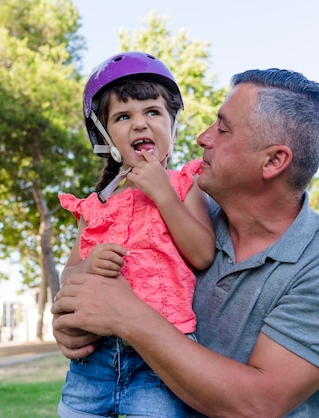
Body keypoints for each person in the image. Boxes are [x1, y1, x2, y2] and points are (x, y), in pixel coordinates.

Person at [52, 67, 319, 417]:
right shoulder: (181, 220)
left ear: (273, 161)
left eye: (222, 129)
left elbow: (256, 404)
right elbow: (84, 281)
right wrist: (70, 324)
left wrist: (128, 318)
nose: (202, 138)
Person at [55, 51, 215, 417]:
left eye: (153, 112)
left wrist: (162, 195)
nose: (140, 124)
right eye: (123, 116)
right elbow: (69, 278)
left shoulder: (184, 185)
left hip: (160, 357)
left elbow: (203, 253)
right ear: (104, 133)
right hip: (94, 360)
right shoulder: (94, 206)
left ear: (172, 124)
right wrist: (90, 265)